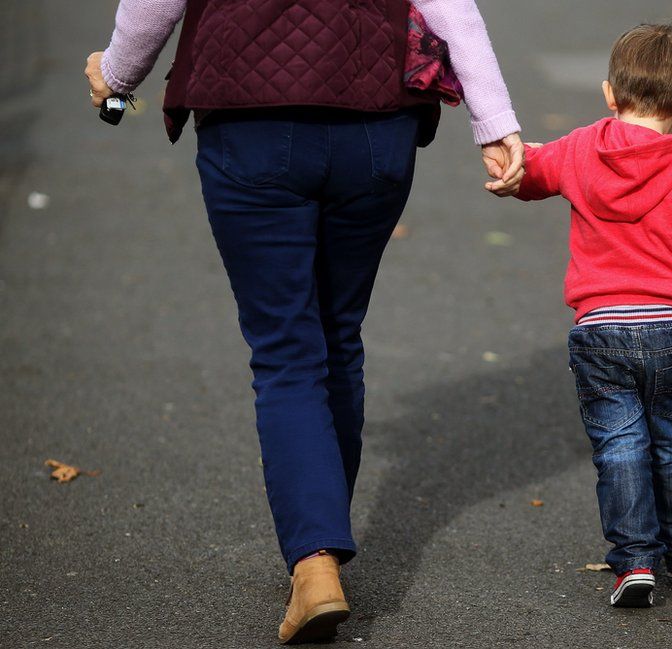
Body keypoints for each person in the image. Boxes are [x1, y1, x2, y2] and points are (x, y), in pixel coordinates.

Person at [84, 0, 524, 642]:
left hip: (251, 124)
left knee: (287, 350)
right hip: (375, 125)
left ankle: (314, 565)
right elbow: (454, 11)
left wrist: (117, 76)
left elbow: (155, 4)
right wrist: (495, 122)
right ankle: (321, 551)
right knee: (338, 335)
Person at [490, 23, 672, 607]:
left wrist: (513, 170)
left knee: (619, 445)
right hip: (667, 329)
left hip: (599, 329)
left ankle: (634, 561)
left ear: (609, 93)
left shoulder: (581, 148)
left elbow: (537, 170)